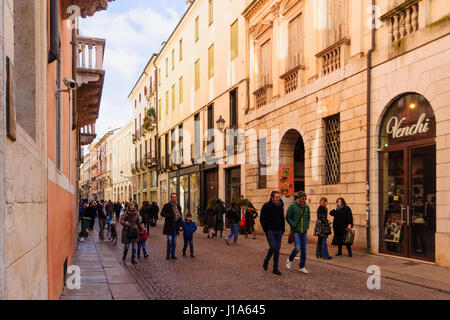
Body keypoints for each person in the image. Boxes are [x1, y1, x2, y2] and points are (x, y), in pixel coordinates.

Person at [285, 191, 311, 274]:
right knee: (298, 248)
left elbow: (308, 218)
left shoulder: (307, 207)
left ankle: (302, 266)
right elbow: (288, 217)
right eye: (302, 198)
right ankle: (289, 259)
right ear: (298, 198)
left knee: (304, 249)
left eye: (305, 198)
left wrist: (306, 226)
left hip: (304, 231)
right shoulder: (292, 206)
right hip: (296, 231)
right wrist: (293, 225)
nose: (304, 200)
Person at [260, 191, 285, 276]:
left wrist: (283, 229)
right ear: (272, 198)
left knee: (277, 250)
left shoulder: (281, 206)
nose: (278, 199)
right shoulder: (266, 206)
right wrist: (266, 229)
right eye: (277, 197)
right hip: (270, 230)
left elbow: (282, 218)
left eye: (279, 197)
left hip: (279, 231)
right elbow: (262, 218)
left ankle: (275, 268)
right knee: (273, 247)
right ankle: (266, 260)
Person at [161, 193, 183, 260]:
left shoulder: (178, 206)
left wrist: (180, 225)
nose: (174, 198)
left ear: (176, 198)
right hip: (169, 225)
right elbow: (162, 213)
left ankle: (173, 254)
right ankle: (168, 254)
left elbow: (180, 217)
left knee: (174, 241)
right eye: (173, 197)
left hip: (175, 226)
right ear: (171, 198)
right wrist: (169, 215)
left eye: (175, 197)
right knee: (170, 240)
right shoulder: (167, 205)